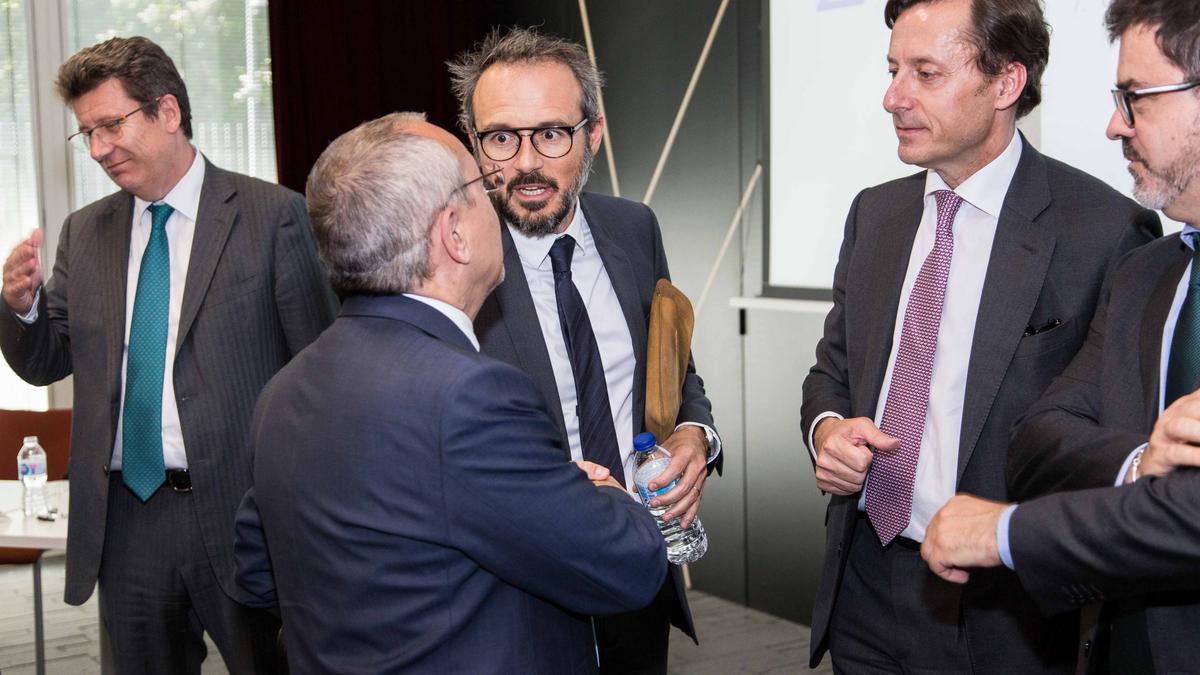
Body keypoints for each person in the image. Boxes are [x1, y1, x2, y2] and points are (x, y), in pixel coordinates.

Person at [232, 112, 668, 675]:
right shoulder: (472, 397)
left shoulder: (282, 391)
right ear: (453, 233)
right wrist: (599, 492)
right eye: (484, 187)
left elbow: (259, 573)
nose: (500, 198)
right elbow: (630, 565)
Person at [799, 0, 1163, 671]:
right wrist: (827, 430)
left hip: (1006, 610)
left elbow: (1108, 438)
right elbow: (834, 369)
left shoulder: (1104, 232)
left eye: (926, 73)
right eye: (892, 70)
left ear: (1005, 83)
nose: (893, 97)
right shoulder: (875, 214)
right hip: (863, 580)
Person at [0, 36, 336, 673]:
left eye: (110, 125)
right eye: (87, 133)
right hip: (128, 519)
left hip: (245, 512)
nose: (98, 149)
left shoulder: (273, 217)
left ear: (168, 111)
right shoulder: (85, 232)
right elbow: (47, 361)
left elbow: (320, 375)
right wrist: (20, 308)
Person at [923, 1, 1200, 671]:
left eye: (1135, 98)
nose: (1114, 125)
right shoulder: (1146, 275)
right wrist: (1140, 460)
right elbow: (1038, 439)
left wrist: (1003, 531)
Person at [447, 28, 721, 674]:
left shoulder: (634, 227)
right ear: (474, 143)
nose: (525, 163)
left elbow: (674, 369)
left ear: (593, 134)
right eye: (500, 138)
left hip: (637, 573)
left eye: (551, 134)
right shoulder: (450, 260)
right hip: (518, 599)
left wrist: (695, 433)